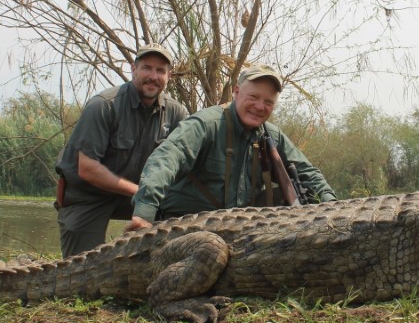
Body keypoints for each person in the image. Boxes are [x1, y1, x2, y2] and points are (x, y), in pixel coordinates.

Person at [127, 64, 336, 229]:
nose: (260, 107)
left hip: (239, 227)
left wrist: (334, 208)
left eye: (268, 102)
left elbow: (308, 173)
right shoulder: (206, 124)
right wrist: (144, 211)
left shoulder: (271, 135)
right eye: (253, 97)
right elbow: (166, 158)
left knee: (302, 195)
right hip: (185, 226)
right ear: (236, 92)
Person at [54, 44, 189, 256]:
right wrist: (142, 192)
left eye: (160, 70)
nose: (153, 76)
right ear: (133, 70)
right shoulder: (103, 105)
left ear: (169, 76)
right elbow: (87, 168)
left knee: (181, 216)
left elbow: (187, 163)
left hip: (139, 195)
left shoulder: (176, 112)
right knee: (81, 271)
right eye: (147, 68)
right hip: (88, 195)